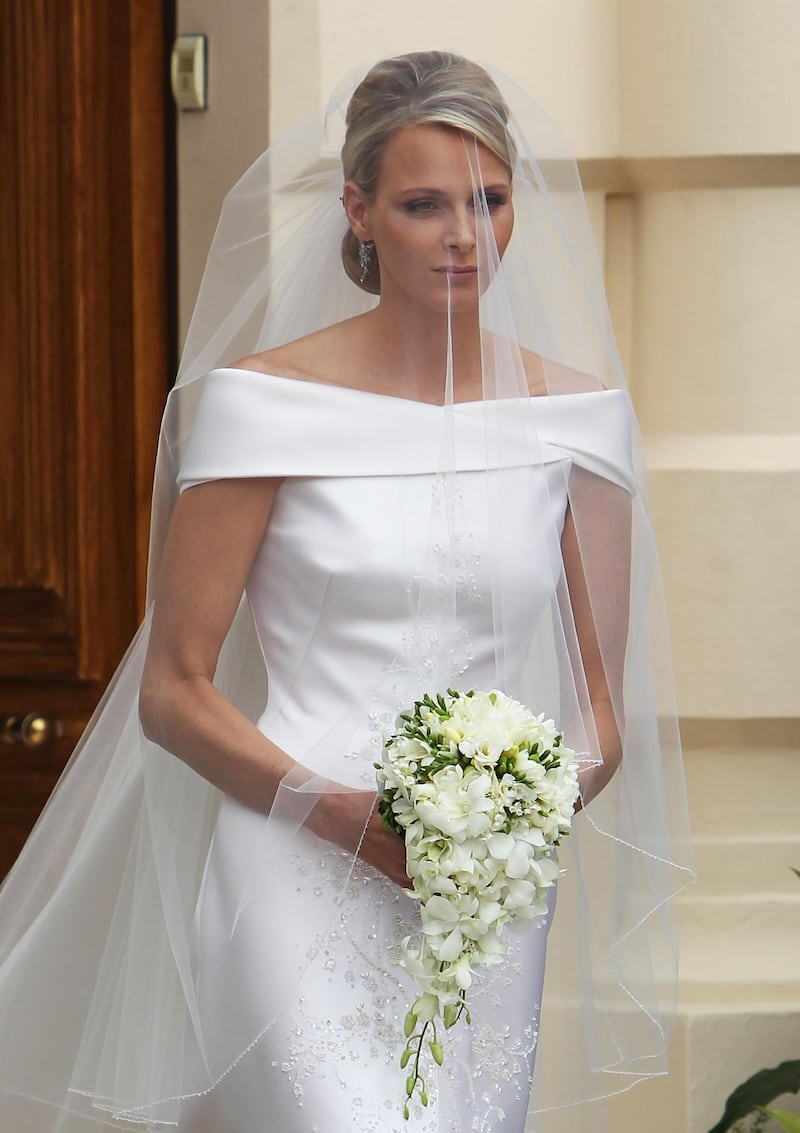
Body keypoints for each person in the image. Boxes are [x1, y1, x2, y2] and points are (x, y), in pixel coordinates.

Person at [0, 51, 694, 1133]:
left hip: (476, 892)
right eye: (424, 205)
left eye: (489, 201)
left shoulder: (577, 420)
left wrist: (510, 822)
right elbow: (174, 689)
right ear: (358, 211)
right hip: (288, 860)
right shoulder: (262, 407)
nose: (464, 236)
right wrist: (334, 811)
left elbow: (598, 713)